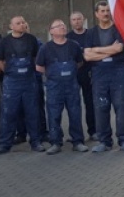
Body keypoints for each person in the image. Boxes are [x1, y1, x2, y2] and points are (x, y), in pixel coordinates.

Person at [84, 1, 124, 152]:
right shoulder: (91, 33)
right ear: (96, 14)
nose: (105, 13)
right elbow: (87, 56)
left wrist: (96, 51)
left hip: (117, 71)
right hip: (99, 73)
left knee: (122, 106)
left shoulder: (118, 29)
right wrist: (109, 50)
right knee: (100, 107)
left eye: (107, 10)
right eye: (102, 11)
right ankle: (104, 142)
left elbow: (118, 48)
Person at [36, 19, 89, 154]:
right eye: (58, 26)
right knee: (54, 115)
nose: (63, 27)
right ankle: (55, 142)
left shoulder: (74, 45)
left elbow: (79, 63)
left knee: (75, 113)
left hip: (71, 85)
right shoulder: (45, 48)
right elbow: (39, 67)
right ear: (51, 31)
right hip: (54, 87)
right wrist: (55, 75)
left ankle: (77, 141)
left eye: (63, 25)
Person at [0, 15, 43, 155]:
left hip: (29, 80)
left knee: (32, 112)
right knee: (8, 113)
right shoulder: (4, 42)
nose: (22, 25)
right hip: (12, 82)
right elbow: (0, 61)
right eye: (18, 23)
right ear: (11, 26)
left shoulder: (31, 39)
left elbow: (35, 59)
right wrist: (10, 73)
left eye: (23, 22)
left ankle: (35, 142)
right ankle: (4, 144)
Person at [67, 11, 96, 140]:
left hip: (89, 73)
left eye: (79, 19)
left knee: (90, 103)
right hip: (73, 74)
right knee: (73, 104)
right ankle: (76, 134)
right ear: (71, 22)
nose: (77, 21)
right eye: (74, 20)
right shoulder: (68, 37)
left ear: (83, 20)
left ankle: (93, 131)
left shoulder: (91, 34)